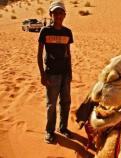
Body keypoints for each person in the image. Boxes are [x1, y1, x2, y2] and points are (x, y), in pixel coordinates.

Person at [37, 0, 73, 143]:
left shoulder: (67, 32)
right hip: (51, 74)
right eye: (55, 13)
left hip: (65, 74)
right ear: (50, 14)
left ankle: (63, 128)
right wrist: (42, 75)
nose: (58, 15)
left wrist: (70, 73)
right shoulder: (45, 31)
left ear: (64, 15)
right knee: (51, 105)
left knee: (66, 102)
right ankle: (49, 131)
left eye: (60, 13)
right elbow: (39, 54)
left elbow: (68, 53)